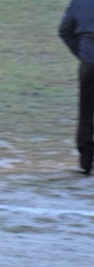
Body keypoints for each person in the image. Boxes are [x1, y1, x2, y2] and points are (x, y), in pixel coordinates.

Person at [59, 0, 94, 175]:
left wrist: (82, 54)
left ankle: (86, 161)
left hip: (88, 63)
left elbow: (65, 31)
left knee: (86, 112)